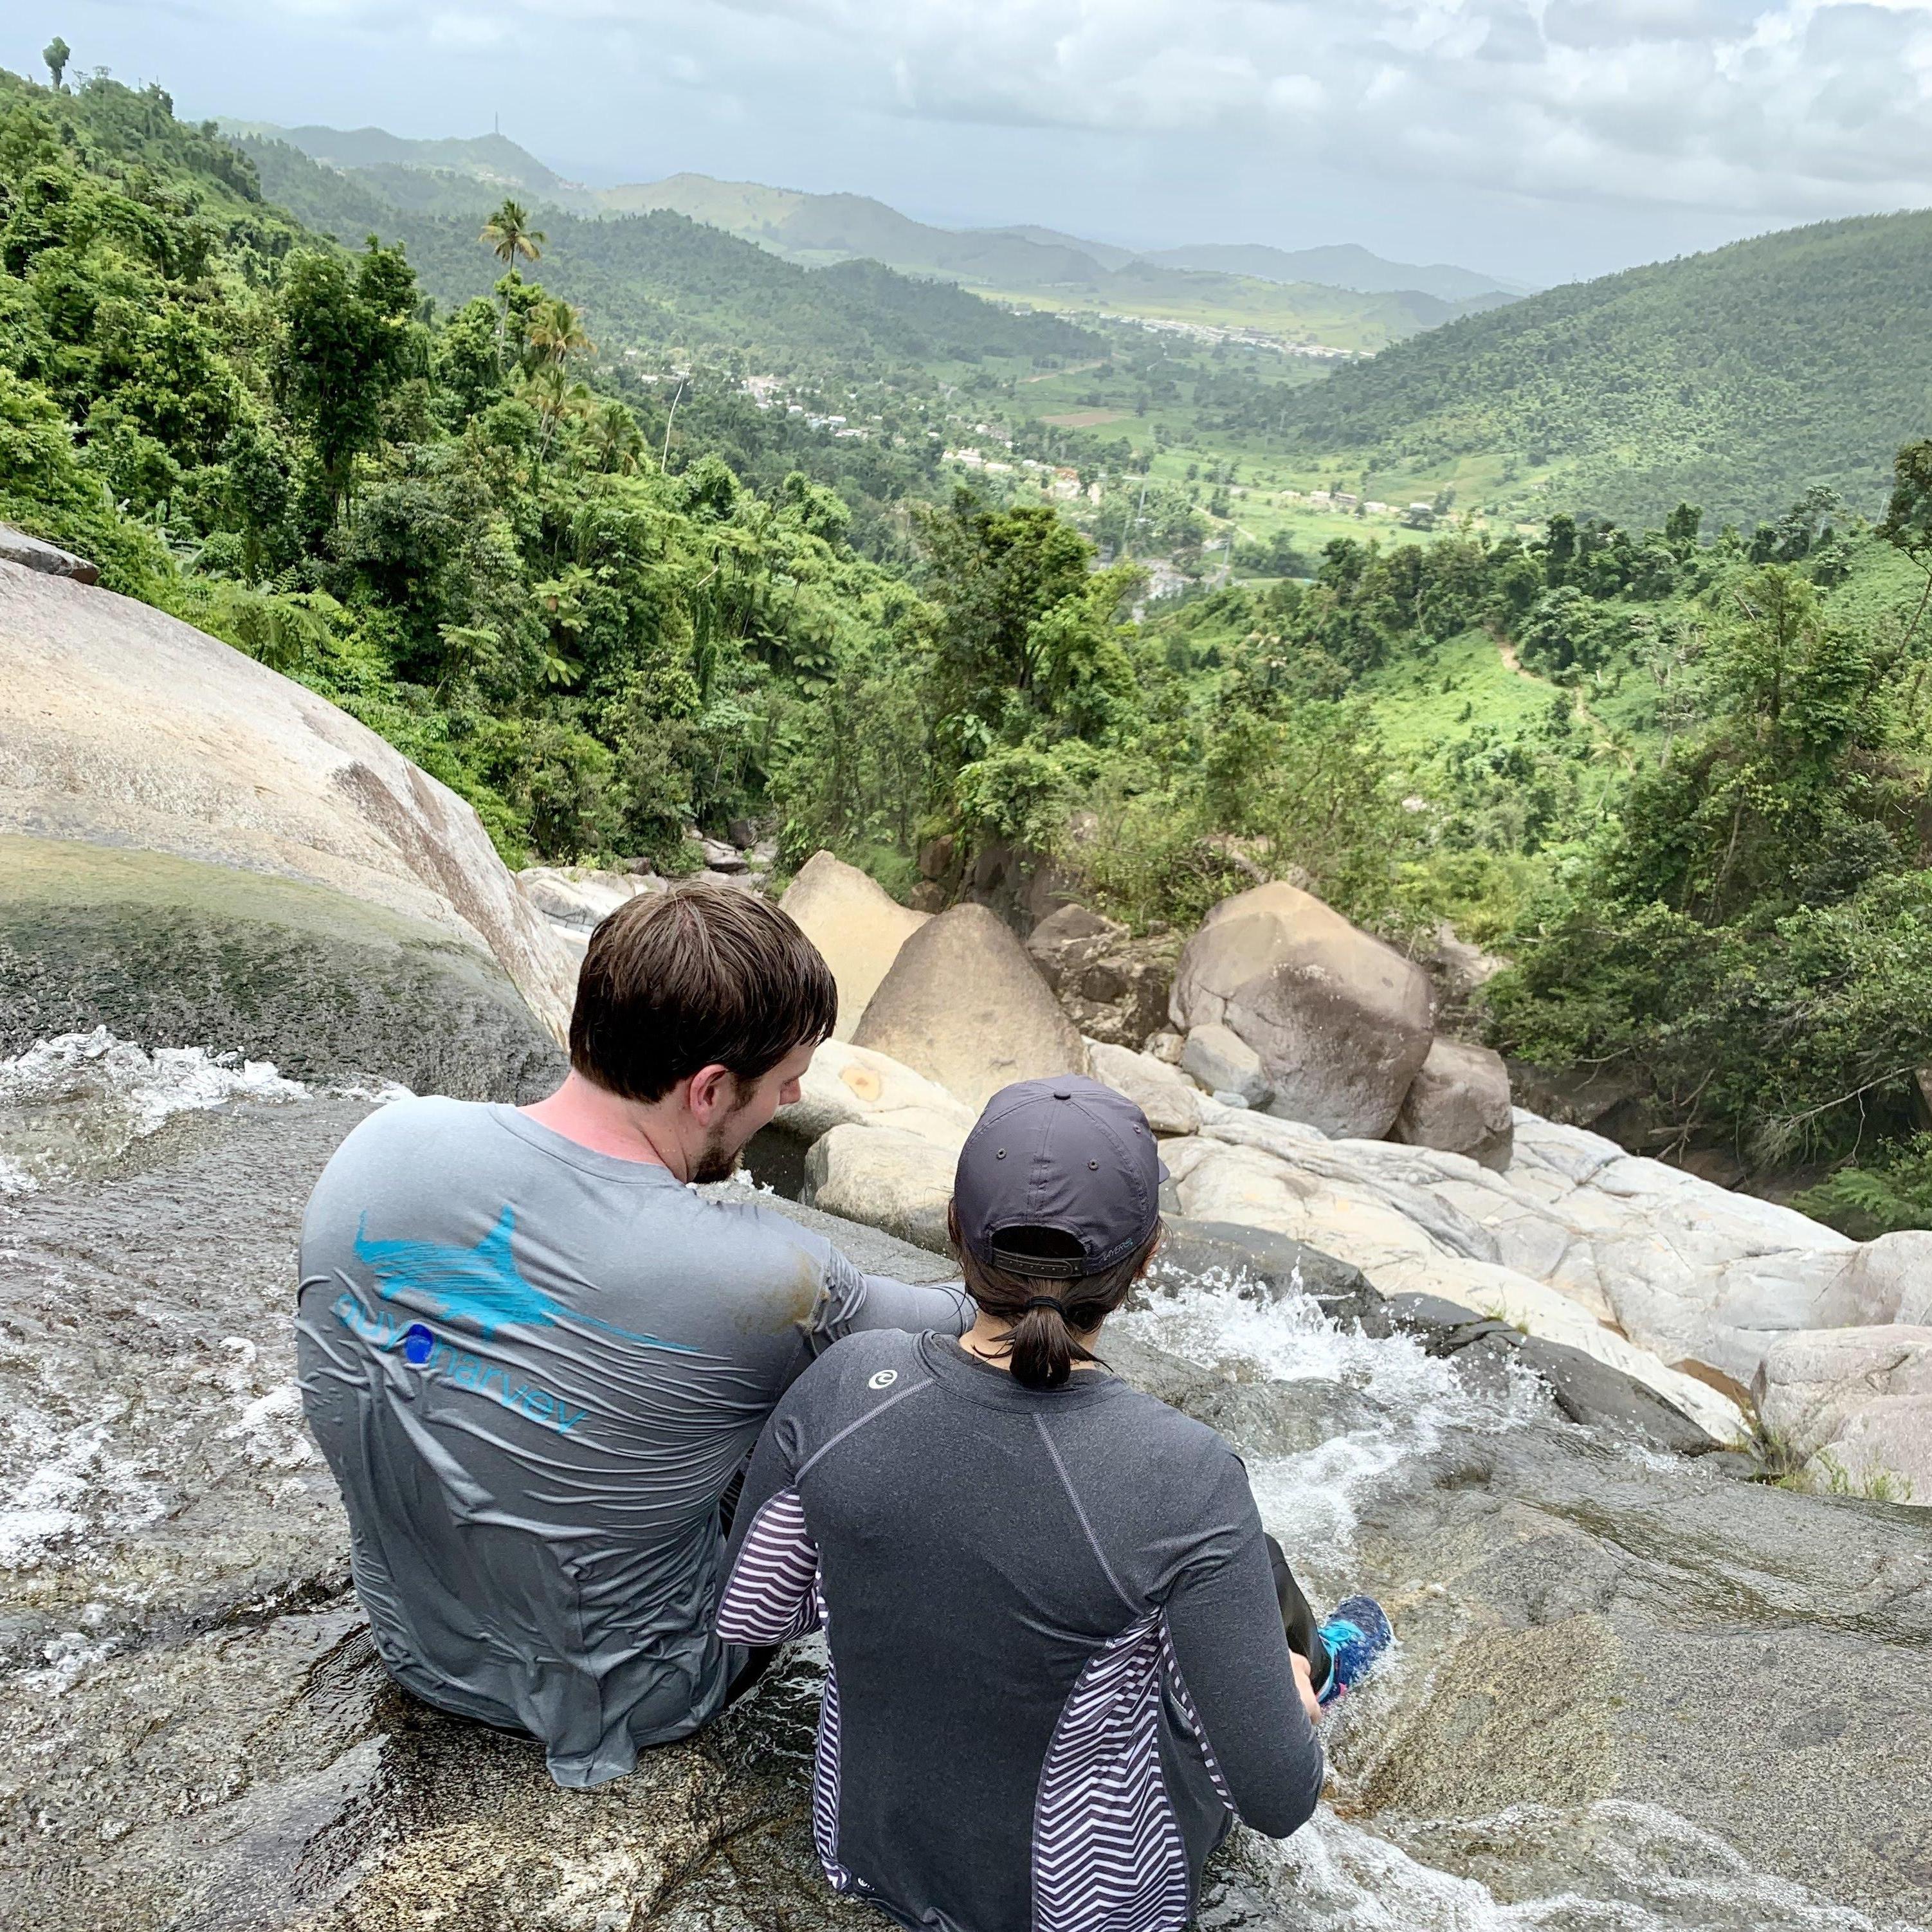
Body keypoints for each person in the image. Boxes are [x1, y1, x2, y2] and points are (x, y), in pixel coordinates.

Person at [296, 884, 974, 1789]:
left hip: (413, 1647)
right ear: (708, 1091)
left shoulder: (381, 1143)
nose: (794, 1097)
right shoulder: (763, 1272)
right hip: (641, 1697)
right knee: (859, 1387)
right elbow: (964, 1329)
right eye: (783, 1081)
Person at [716, 1075, 1391, 1932]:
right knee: (1248, 1571)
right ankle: (1318, 1666)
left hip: (859, 1855)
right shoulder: (1185, 1474)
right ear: (1149, 1257)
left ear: (956, 1230)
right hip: (1082, 1908)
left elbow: (757, 1616)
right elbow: (1277, 1799)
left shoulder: (846, 1382)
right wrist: (1278, 1700)